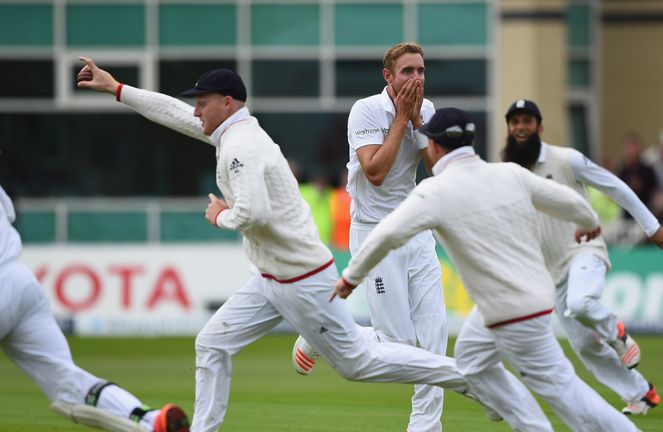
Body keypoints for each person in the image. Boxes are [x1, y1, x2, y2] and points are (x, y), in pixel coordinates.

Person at [77, 57, 506, 432]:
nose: (196, 110)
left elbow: (253, 214)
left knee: (359, 364)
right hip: (268, 276)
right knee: (210, 343)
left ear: (227, 103)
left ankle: (464, 376)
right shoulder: (228, 130)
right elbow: (174, 113)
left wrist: (219, 215)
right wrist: (118, 89)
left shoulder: (243, 146)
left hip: (302, 277)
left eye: (202, 102)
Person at [332, 108, 640, 432]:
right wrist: (588, 222)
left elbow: (387, 234)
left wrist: (352, 277)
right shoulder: (508, 173)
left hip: (511, 311)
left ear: (434, 147)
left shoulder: (434, 192)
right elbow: (569, 199)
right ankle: (500, 403)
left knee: (564, 391)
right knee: (470, 358)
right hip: (520, 301)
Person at [295, 41, 447, 432]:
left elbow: (441, 173)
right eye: (407, 72)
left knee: (434, 339)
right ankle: (322, 329)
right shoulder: (365, 110)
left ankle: (425, 428)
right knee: (399, 347)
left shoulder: (426, 112)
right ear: (388, 77)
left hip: (416, 230)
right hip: (375, 236)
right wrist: (401, 118)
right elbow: (375, 174)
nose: (416, 79)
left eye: (421, 71)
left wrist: (417, 122)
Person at [502, 98, 663, 415]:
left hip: (585, 250)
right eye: (514, 122)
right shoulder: (509, 172)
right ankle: (641, 393)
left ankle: (617, 332)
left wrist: (651, 227)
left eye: (527, 121)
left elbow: (615, 187)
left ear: (539, 127)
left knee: (581, 303)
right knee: (584, 348)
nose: (520, 127)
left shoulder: (567, 160)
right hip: (551, 272)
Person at [0, 186, 189, 432]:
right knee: (68, 382)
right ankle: (151, 421)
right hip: (22, 281)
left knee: (67, 380)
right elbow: (11, 215)